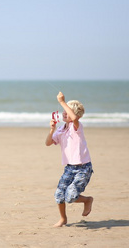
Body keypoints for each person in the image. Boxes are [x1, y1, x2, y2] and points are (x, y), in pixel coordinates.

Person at [45, 92, 94, 227]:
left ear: (75, 115)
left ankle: (87, 200)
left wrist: (62, 102)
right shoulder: (61, 129)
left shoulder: (76, 126)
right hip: (69, 168)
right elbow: (48, 143)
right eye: (64, 111)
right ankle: (63, 219)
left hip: (83, 168)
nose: (64, 113)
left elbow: (74, 118)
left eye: (68, 111)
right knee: (59, 195)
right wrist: (52, 129)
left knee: (70, 196)